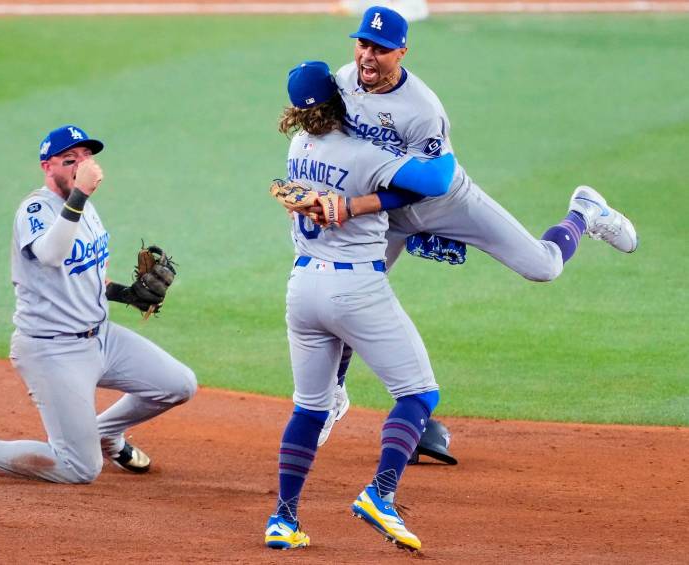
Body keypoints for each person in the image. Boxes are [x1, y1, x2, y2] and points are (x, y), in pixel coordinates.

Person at [318, 5, 638, 445]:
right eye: (363, 44)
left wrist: (360, 207)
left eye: (382, 49)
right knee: (349, 294)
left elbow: (431, 184)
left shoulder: (422, 110)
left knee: (542, 267)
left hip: (445, 202)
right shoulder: (344, 82)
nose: (368, 56)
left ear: (403, 52)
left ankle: (584, 212)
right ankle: (333, 391)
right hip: (385, 218)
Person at [265, 61, 460, 552]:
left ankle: (283, 520)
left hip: (302, 289)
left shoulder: (296, 148)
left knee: (310, 408)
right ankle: (381, 494)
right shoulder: (367, 151)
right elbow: (434, 180)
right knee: (419, 395)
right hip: (355, 291)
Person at [0, 125, 197, 483]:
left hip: (101, 338)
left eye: (86, 158)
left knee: (179, 385)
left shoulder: (85, 208)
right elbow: (51, 254)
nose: (80, 165)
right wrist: (81, 193)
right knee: (79, 468)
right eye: (69, 160)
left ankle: (101, 434)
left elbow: (89, 278)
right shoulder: (36, 209)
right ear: (47, 166)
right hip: (52, 350)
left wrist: (127, 295)